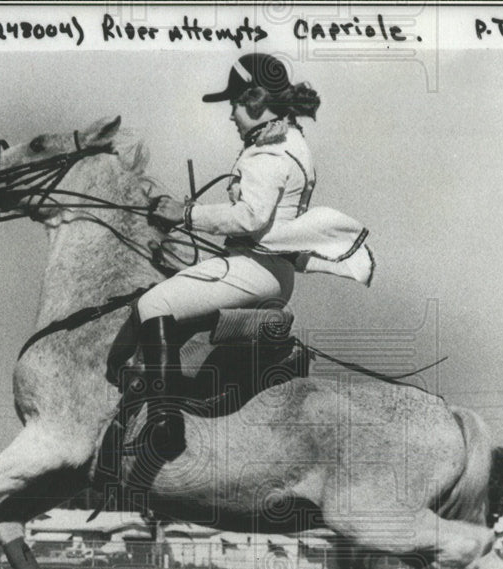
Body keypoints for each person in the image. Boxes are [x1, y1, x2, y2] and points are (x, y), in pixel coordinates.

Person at [141, 52, 375, 459]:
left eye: (234, 103)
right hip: (273, 270)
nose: (231, 114)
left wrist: (186, 213)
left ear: (253, 100)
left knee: (152, 302)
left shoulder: (268, 151)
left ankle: (165, 425)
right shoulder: (292, 141)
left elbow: (250, 218)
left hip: (254, 269)